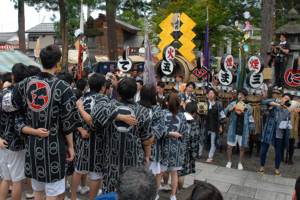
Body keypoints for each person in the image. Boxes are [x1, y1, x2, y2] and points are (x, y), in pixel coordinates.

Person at [2, 45, 81, 200]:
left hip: (32, 146)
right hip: (55, 147)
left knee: (38, 190)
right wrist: (71, 146)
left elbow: (9, 106)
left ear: (40, 61)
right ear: (58, 64)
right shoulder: (63, 87)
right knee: (53, 192)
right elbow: (67, 122)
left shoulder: (24, 84)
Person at [86, 78, 153, 194]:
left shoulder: (109, 106)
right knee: (132, 188)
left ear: (118, 91)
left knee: (111, 187)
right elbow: (146, 139)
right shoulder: (143, 112)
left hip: (111, 155)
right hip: (134, 157)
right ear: (136, 92)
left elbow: (94, 123)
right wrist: (147, 155)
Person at [71, 73, 107, 200]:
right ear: (103, 87)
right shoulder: (103, 99)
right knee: (96, 174)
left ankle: (73, 197)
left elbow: (73, 117)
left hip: (82, 138)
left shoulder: (81, 98)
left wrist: (80, 130)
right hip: (98, 140)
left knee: (79, 169)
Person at [0, 63, 28, 200]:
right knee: (16, 181)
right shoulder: (27, 94)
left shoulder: (5, 95)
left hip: (3, 140)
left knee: (6, 178)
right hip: (18, 142)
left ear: (12, 77)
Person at [160, 93, 189, 200]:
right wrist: (184, 147)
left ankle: (155, 194)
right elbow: (185, 134)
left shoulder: (162, 113)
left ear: (167, 103)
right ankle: (173, 195)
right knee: (174, 172)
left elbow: (160, 131)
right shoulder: (182, 116)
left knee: (160, 172)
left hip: (164, 146)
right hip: (177, 147)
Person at [258, 93, 293, 177]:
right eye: (285, 98)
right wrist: (279, 105)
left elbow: (288, 120)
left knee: (278, 152)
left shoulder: (288, 110)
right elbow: (267, 102)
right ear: (282, 98)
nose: (285, 100)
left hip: (279, 133)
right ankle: (262, 166)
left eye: (288, 99)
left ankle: (277, 169)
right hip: (269, 131)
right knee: (263, 150)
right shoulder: (275, 103)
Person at [225, 88, 255, 170]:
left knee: (242, 147)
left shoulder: (247, 106)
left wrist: (250, 130)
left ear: (245, 97)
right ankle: (229, 161)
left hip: (243, 128)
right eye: (239, 95)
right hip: (233, 128)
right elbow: (226, 111)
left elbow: (250, 117)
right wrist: (233, 108)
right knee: (230, 146)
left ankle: (240, 162)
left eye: (241, 95)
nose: (239, 96)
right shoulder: (233, 103)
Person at [178, 102, 200, 193]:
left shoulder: (178, 118)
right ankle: (178, 191)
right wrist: (193, 156)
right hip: (185, 150)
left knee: (171, 171)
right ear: (194, 113)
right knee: (180, 173)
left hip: (173, 147)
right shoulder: (194, 124)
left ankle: (168, 185)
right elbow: (194, 141)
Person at [199, 88, 226, 162]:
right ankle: (199, 153)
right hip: (206, 123)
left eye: (212, 93)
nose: (210, 94)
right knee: (202, 138)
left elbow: (221, 115)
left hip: (214, 124)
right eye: (209, 93)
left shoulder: (218, 104)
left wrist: (221, 125)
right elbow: (201, 114)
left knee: (213, 141)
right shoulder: (204, 103)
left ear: (215, 95)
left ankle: (210, 156)